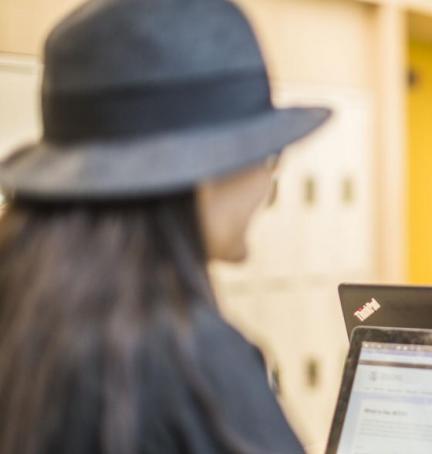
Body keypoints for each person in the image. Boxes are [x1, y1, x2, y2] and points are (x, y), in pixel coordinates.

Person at [0, 0, 330, 453]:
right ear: (209, 174)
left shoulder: (29, 327)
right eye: (267, 156)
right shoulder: (191, 360)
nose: (267, 186)